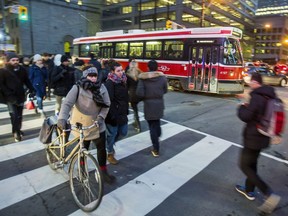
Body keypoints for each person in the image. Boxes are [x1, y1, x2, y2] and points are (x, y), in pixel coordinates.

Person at [57, 65, 115, 183]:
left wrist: (101, 117)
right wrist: (62, 118)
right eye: (91, 76)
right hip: (81, 124)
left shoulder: (102, 87)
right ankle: (82, 169)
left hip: (97, 123)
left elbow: (107, 104)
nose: (93, 78)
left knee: (101, 149)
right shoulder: (77, 88)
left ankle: (103, 172)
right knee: (83, 149)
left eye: (95, 76)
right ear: (85, 76)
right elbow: (67, 103)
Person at [236, 73, 281, 214]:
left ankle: (268, 194)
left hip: (253, 138)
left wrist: (241, 107)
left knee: (244, 165)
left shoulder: (256, 97)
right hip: (263, 137)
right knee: (252, 164)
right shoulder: (271, 95)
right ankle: (249, 190)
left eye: (250, 82)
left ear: (255, 82)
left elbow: (246, 116)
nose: (249, 84)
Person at [136, 60, 168, 157]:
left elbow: (139, 93)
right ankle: (158, 134)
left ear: (148, 68)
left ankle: (156, 149)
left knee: (152, 127)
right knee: (157, 122)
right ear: (157, 68)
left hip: (148, 105)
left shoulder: (143, 79)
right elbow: (165, 90)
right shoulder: (162, 78)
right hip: (159, 104)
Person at [1, 52, 35, 142]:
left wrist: (32, 89)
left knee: (19, 116)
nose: (15, 62)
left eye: (17, 60)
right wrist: (8, 94)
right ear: (8, 61)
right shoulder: (3, 71)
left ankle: (18, 129)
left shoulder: (22, 69)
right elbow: (1, 85)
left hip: (20, 96)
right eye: (13, 60)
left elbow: (26, 81)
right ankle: (16, 132)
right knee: (14, 115)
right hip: (10, 98)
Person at [104, 61, 129, 165]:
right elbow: (109, 101)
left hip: (122, 112)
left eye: (122, 70)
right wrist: (112, 115)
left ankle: (110, 144)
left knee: (123, 132)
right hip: (113, 114)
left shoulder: (123, 80)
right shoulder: (110, 83)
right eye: (118, 71)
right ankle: (110, 153)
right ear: (112, 72)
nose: (121, 72)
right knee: (112, 134)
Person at [126, 60, 142, 132]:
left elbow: (126, 86)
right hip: (139, 94)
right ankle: (136, 123)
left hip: (132, 94)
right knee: (135, 108)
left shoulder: (127, 74)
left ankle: (137, 124)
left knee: (135, 109)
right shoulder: (140, 73)